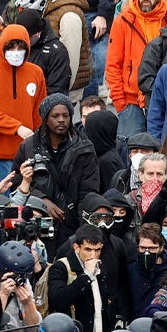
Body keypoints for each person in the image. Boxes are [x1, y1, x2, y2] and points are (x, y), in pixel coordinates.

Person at [10, 93, 100, 247]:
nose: (61, 120)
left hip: (72, 222)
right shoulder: (29, 146)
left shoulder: (84, 147)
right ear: (45, 119)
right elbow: (17, 182)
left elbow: (90, 189)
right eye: (55, 116)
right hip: (37, 221)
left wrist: (81, 226)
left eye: (66, 115)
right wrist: (42, 200)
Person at [106, 0, 167, 137]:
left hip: (161, 98)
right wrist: (120, 102)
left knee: (160, 152)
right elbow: (113, 63)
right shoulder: (122, 20)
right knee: (132, 153)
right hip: (130, 102)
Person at [31, 0, 92, 100]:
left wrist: (60, 95)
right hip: (55, 87)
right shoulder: (53, 3)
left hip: (64, 92)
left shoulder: (69, 15)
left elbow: (71, 59)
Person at [0, 24, 45, 183]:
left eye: (20, 47)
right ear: (2, 46)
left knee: (23, 204)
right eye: (11, 47)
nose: (16, 52)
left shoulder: (36, 72)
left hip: (26, 155)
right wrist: (17, 128)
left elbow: (40, 112)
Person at [14, 7, 71, 96]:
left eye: (27, 37)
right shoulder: (13, 44)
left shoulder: (57, 52)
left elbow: (56, 89)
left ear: (37, 33)